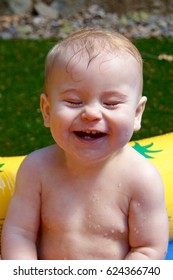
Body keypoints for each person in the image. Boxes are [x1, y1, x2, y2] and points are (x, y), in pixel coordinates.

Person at [1, 28, 169, 260]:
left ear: (137, 113)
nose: (91, 113)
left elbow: (148, 249)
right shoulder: (36, 169)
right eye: (74, 101)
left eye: (110, 103)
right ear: (47, 111)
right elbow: (20, 234)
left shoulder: (142, 178)